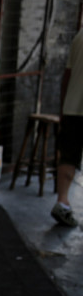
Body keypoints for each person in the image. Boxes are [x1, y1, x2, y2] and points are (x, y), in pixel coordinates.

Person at [51, 28, 83, 227]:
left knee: (68, 156)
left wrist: (63, 107)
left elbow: (67, 75)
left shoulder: (80, 36)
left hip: (73, 107)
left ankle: (62, 202)